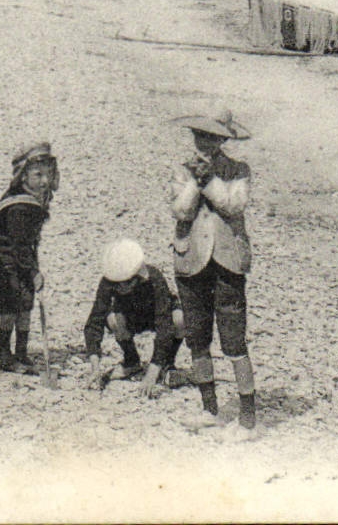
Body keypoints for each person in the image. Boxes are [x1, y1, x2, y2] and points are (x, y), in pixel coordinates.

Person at [169, 106, 259, 440]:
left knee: (234, 337)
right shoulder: (182, 171)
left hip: (227, 260)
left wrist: (207, 179)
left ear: (222, 140)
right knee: (197, 336)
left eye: (211, 137)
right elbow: (179, 209)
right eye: (199, 135)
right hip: (191, 259)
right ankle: (209, 409)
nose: (203, 142)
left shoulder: (238, 171)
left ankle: (248, 418)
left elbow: (233, 206)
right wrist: (194, 182)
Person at [0, 141, 59, 374]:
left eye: (48, 175)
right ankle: (3, 353)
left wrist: (30, 269)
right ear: (23, 176)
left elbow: (27, 244)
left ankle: (22, 353)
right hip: (2, 261)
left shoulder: (34, 198)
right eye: (37, 175)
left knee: (26, 303)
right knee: (10, 305)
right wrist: (34, 271)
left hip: (19, 258)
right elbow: (19, 245)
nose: (44, 181)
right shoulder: (19, 206)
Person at [83, 238, 185, 390]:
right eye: (118, 284)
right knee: (112, 319)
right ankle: (132, 361)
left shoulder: (155, 279)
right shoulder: (108, 282)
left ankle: (166, 364)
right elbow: (94, 323)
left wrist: (152, 373)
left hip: (157, 315)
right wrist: (95, 368)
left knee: (179, 319)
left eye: (127, 282)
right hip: (130, 316)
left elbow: (164, 327)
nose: (121, 287)